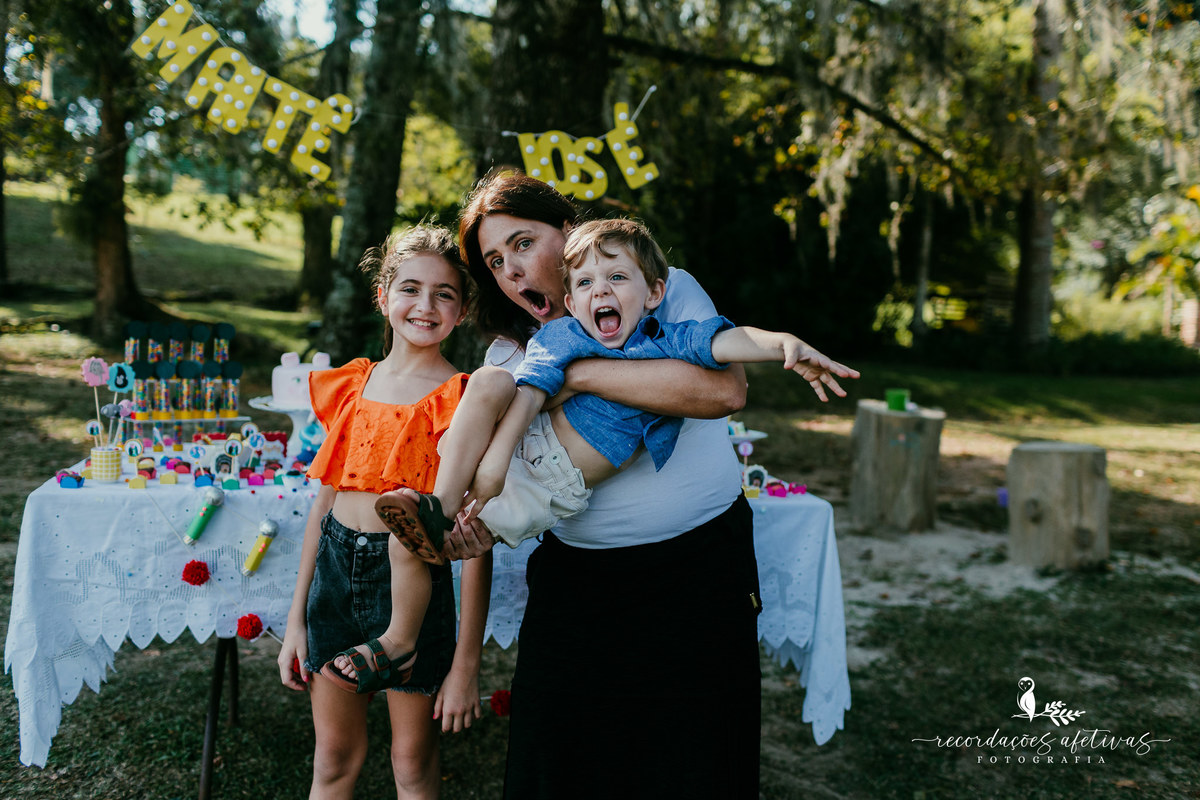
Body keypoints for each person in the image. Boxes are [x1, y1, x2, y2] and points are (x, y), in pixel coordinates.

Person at [439, 170, 856, 799]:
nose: (514, 271)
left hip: (698, 576)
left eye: (524, 243)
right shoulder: (510, 355)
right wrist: (465, 657)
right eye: (496, 262)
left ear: (567, 229)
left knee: (693, 765)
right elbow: (496, 481)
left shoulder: (663, 289)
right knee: (562, 769)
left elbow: (721, 390)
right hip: (579, 589)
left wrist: (578, 376)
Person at [375, 217, 855, 561]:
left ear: (653, 293)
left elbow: (724, 343)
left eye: (617, 278)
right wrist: (497, 461)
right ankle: (436, 506)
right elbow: (532, 392)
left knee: (476, 531)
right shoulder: (562, 335)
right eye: (585, 282)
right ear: (570, 299)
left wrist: (785, 344)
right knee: (488, 383)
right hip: (523, 449)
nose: (600, 291)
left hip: (560, 482)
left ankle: (438, 537)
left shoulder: (663, 340)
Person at [276, 225, 493, 799]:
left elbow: (476, 542)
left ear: (464, 310)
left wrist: (465, 664)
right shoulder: (354, 386)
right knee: (332, 761)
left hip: (414, 591)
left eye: (445, 294)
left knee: (412, 765)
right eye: (411, 289)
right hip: (334, 582)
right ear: (382, 295)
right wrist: (296, 620)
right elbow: (323, 507)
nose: (425, 306)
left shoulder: (464, 399)